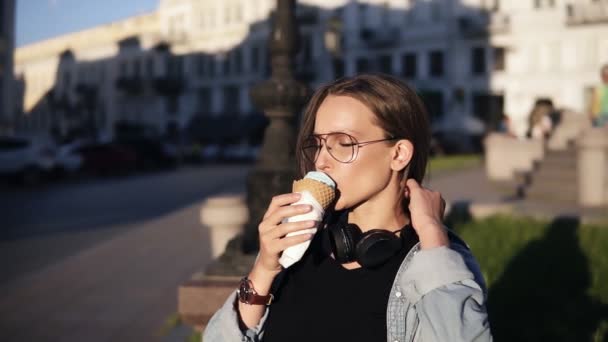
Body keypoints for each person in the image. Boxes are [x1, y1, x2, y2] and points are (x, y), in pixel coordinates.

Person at [203, 74, 492, 342]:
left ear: (399, 154)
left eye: (344, 143)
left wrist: (432, 233)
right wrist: (264, 269)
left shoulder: (434, 260)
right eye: (318, 144)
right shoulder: (301, 245)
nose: (321, 162)